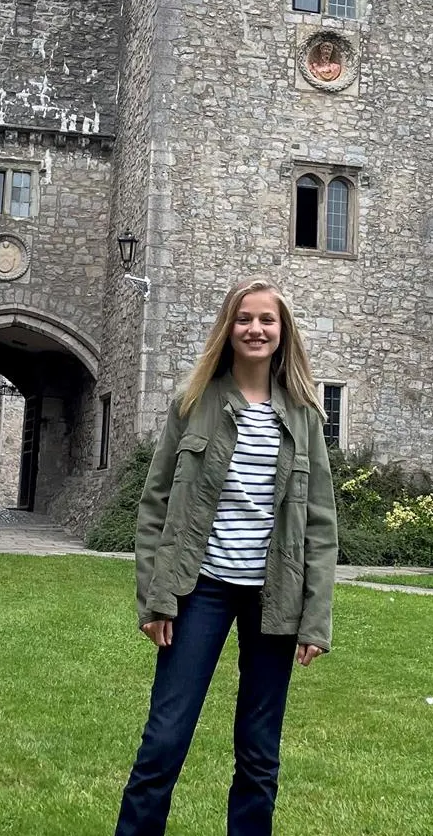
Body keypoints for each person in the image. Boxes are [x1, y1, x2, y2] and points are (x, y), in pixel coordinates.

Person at [115, 279, 338, 836]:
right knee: (164, 740)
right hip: (200, 590)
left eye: (267, 320)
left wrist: (316, 618)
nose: (256, 329)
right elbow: (155, 504)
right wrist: (155, 597)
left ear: (282, 332)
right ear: (228, 329)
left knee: (259, 753)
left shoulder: (305, 416)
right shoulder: (194, 403)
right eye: (245, 319)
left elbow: (320, 524)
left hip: (274, 597)